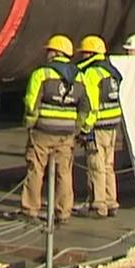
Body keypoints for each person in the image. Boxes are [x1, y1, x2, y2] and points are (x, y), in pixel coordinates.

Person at [22, 34, 89, 224]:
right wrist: (78, 128)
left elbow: (31, 102)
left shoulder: (42, 73)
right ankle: (63, 212)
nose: (47, 54)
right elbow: (86, 106)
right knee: (64, 173)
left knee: (35, 170)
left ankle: (30, 209)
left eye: (49, 50)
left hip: (43, 131)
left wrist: (29, 123)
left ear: (56, 52)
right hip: (66, 134)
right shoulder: (80, 76)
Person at [75, 36, 123, 218]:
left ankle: (98, 205)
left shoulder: (91, 73)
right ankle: (111, 202)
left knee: (96, 165)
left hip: (99, 126)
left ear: (90, 53)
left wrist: (85, 128)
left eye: (84, 52)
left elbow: (91, 105)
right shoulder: (111, 71)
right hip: (113, 125)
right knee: (109, 165)